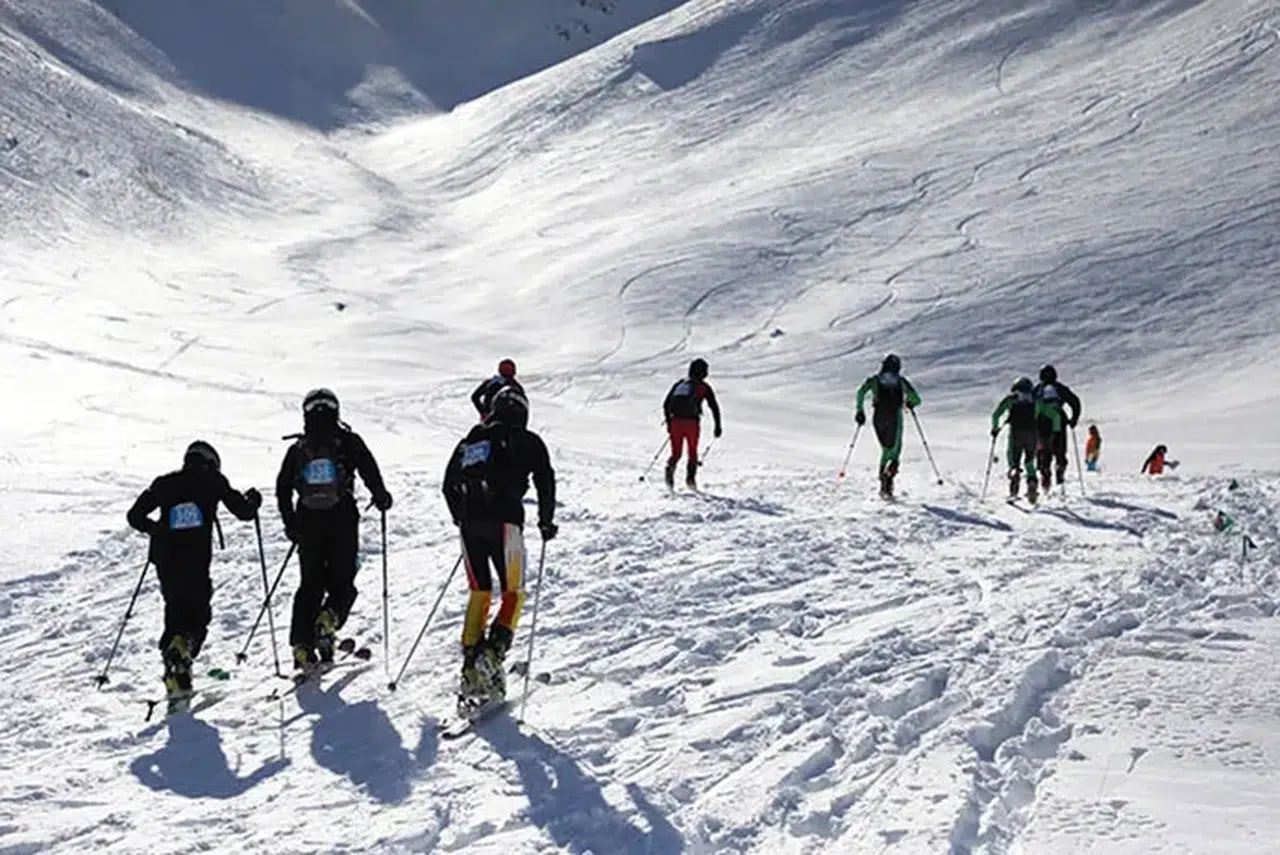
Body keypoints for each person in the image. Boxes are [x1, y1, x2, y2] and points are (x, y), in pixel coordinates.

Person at [442, 387, 557, 711]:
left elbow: (448, 484)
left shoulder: (471, 440)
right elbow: (545, 481)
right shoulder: (528, 440)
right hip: (506, 523)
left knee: (479, 592)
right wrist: (545, 521)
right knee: (513, 593)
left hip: (470, 525)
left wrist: (461, 516)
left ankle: (471, 666)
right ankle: (492, 655)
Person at [126, 441, 261, 697]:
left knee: (175, 608)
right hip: (196, 558)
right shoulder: (213, 481)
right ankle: (183, 650)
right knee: (198, 614)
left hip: (166, 558)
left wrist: (156, 530)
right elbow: (244, 512)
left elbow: (134, 516)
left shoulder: (165, 483)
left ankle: (174, 663)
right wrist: (253, 501)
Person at [275, 388, 392, 673]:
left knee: (310, 584)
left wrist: (291, 523)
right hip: (342, 517)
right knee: (343, 582)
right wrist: (380, 495)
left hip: (307, 522)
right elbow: (368, 469)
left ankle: (302, 644)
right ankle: (328, 619)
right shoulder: (348, 441)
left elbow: (282, 488)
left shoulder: (298, 449)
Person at [855, 354, 921, 499]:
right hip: (895, 418)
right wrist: (910, 403)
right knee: (894, 451)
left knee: (886, 448)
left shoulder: (875, 380)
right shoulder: (901, 381)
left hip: (878, 417)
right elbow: (917, 399)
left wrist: (860, 410)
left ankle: (883, 482)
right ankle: (887, 482)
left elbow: (860, 392)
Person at [991, 377, 1059, 504]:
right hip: (1033, 435)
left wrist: (995, 428)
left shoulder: (1011, 400)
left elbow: (996, 415)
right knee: (1029, 461)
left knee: (1013, 459)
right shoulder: (1036, 401)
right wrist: (1055, 431)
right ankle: (1032, 483)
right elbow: (1054, 415)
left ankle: (1014, 485)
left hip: (1015, 434)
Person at [662, 358, 723, 490]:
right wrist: (717, 425)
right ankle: (690, 481)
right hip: (692, 423)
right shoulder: (704, 387)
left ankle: (669, 475)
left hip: (675, 422)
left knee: (676, 453)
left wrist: (669, 422)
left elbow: (666, 404)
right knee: (692, 452)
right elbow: (714, 406)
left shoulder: (680, 384)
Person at [1032, 364, 1082, 492]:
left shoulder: (1037, 390)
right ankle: (1060, 467)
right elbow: (1075, 401)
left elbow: (1030, 406)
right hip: (1059, 419)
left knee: (1044, 449)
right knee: (1060, 448)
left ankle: (1045, 472)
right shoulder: (1059, 388)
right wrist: (1074, 419)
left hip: (1042, 422)